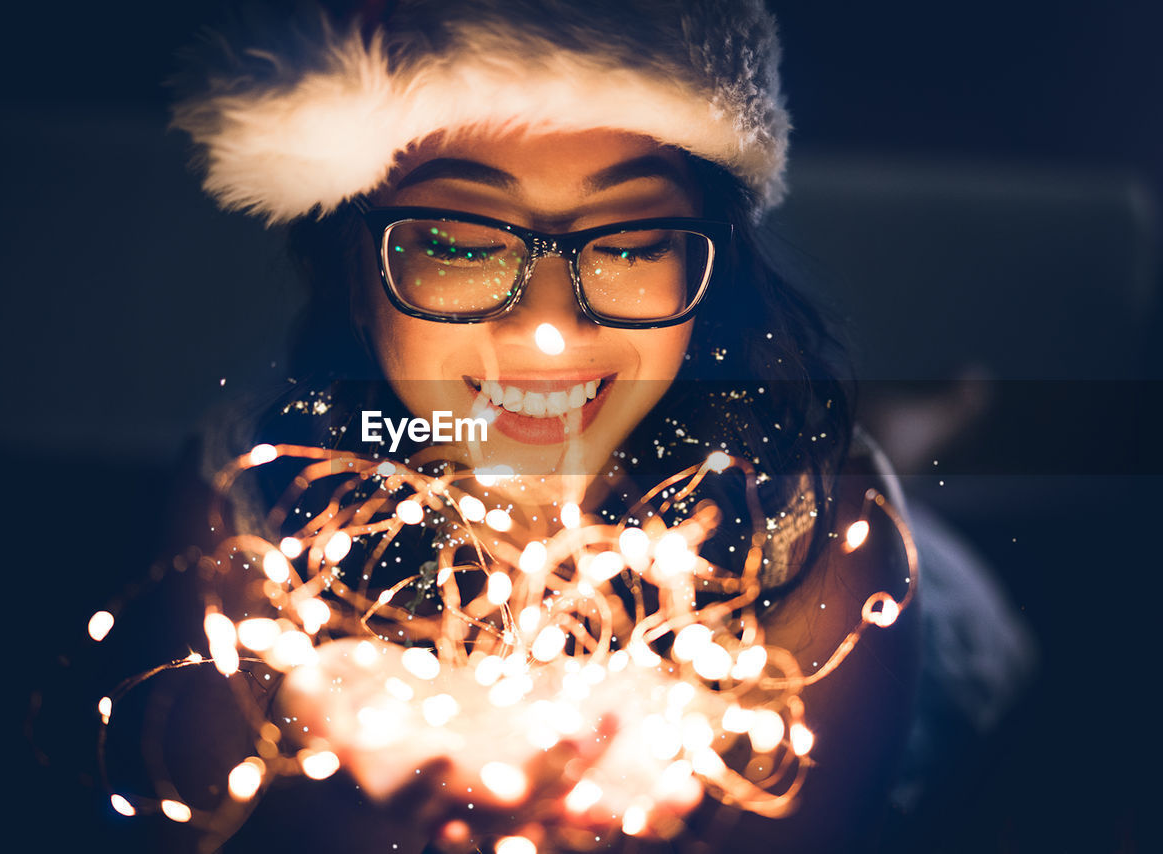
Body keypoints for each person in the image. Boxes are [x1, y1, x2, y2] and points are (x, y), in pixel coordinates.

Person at [162, 2, 929, 852]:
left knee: (905, 487)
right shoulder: (251, 497)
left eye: (632, 243)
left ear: (708, 271)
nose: (546, 326)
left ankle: (927, 425)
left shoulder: (820, 520)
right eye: (460, 243)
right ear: (353, 269)